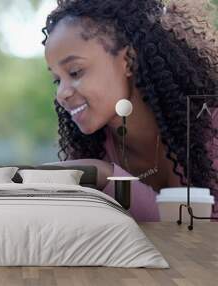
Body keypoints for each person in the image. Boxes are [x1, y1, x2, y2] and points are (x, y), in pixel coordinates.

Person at [42, 0, 218, 221]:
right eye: (56, 80)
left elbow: (196, 243)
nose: (61, 94)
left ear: (128, 60)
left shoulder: (209, 128)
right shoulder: (91, 152)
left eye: (75, 72)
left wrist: (108, 177)